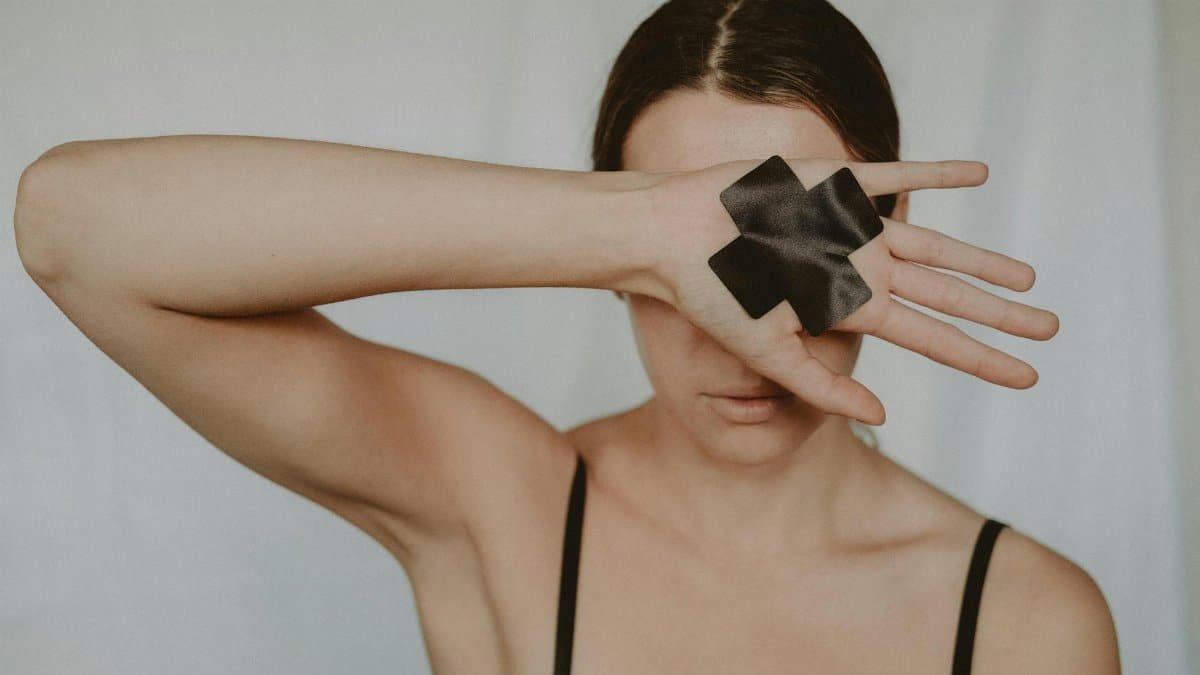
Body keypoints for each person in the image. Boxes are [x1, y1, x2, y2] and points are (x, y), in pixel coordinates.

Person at [13, 0, 1119, 672]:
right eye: (706, 263)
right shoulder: (504, 506)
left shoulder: (1029, 622)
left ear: (893, 234)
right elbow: (72, 226)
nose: (743, 333)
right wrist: (645, 226)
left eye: (796, 241)